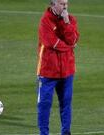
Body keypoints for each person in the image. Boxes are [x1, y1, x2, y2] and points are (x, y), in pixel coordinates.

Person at [36, 0, 79, 135]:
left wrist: (67, 22)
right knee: (44, 105)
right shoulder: (45, 21)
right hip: (47, 71)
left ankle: (66, 132)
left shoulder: (71, 19)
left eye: (66, 3)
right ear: (53, 4)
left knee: (66, 104)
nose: (65, 6)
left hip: (67, 71)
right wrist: (69, 47)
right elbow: (52, 43)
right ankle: (44, 133)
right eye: (61, 4)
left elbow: (72, 39)